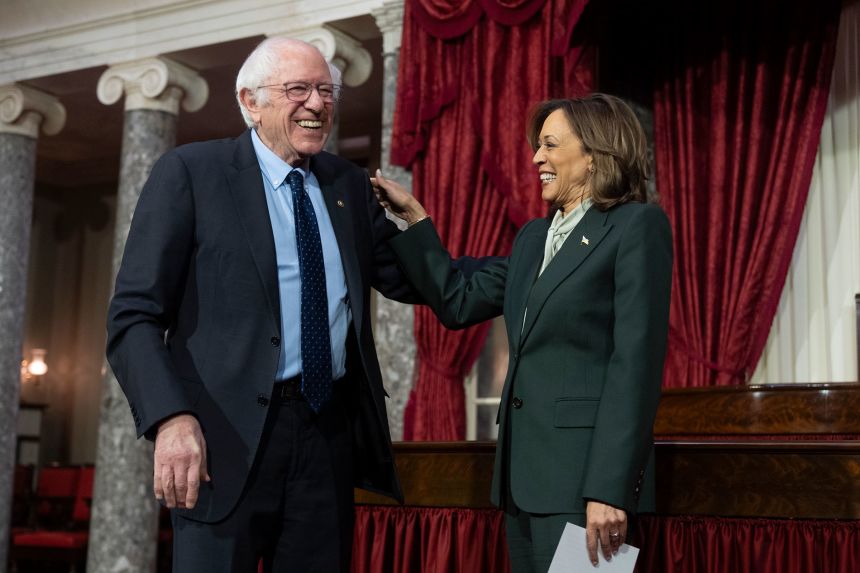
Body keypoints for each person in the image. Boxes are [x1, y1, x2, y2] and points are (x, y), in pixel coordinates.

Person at [106, 37, 418, 572]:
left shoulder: (347, 184)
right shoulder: (191, 173)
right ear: (250, 101)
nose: (317, 103)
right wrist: (171, 419)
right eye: (298, 89)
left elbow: (416, 281)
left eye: (326, 90)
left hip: (327, 436)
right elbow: (134, 315)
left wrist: (533, 262)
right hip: (222, 441)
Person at [373, 93, 672, 571]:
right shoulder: (534, 237)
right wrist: (415, 220)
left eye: (550, 145)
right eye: (537, 146)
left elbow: (634, 367)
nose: (536, 158)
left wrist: (609, 490)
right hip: (521, 481)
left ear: (594, 154)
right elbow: (457, 300)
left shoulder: (636, 226)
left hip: (586, 487)